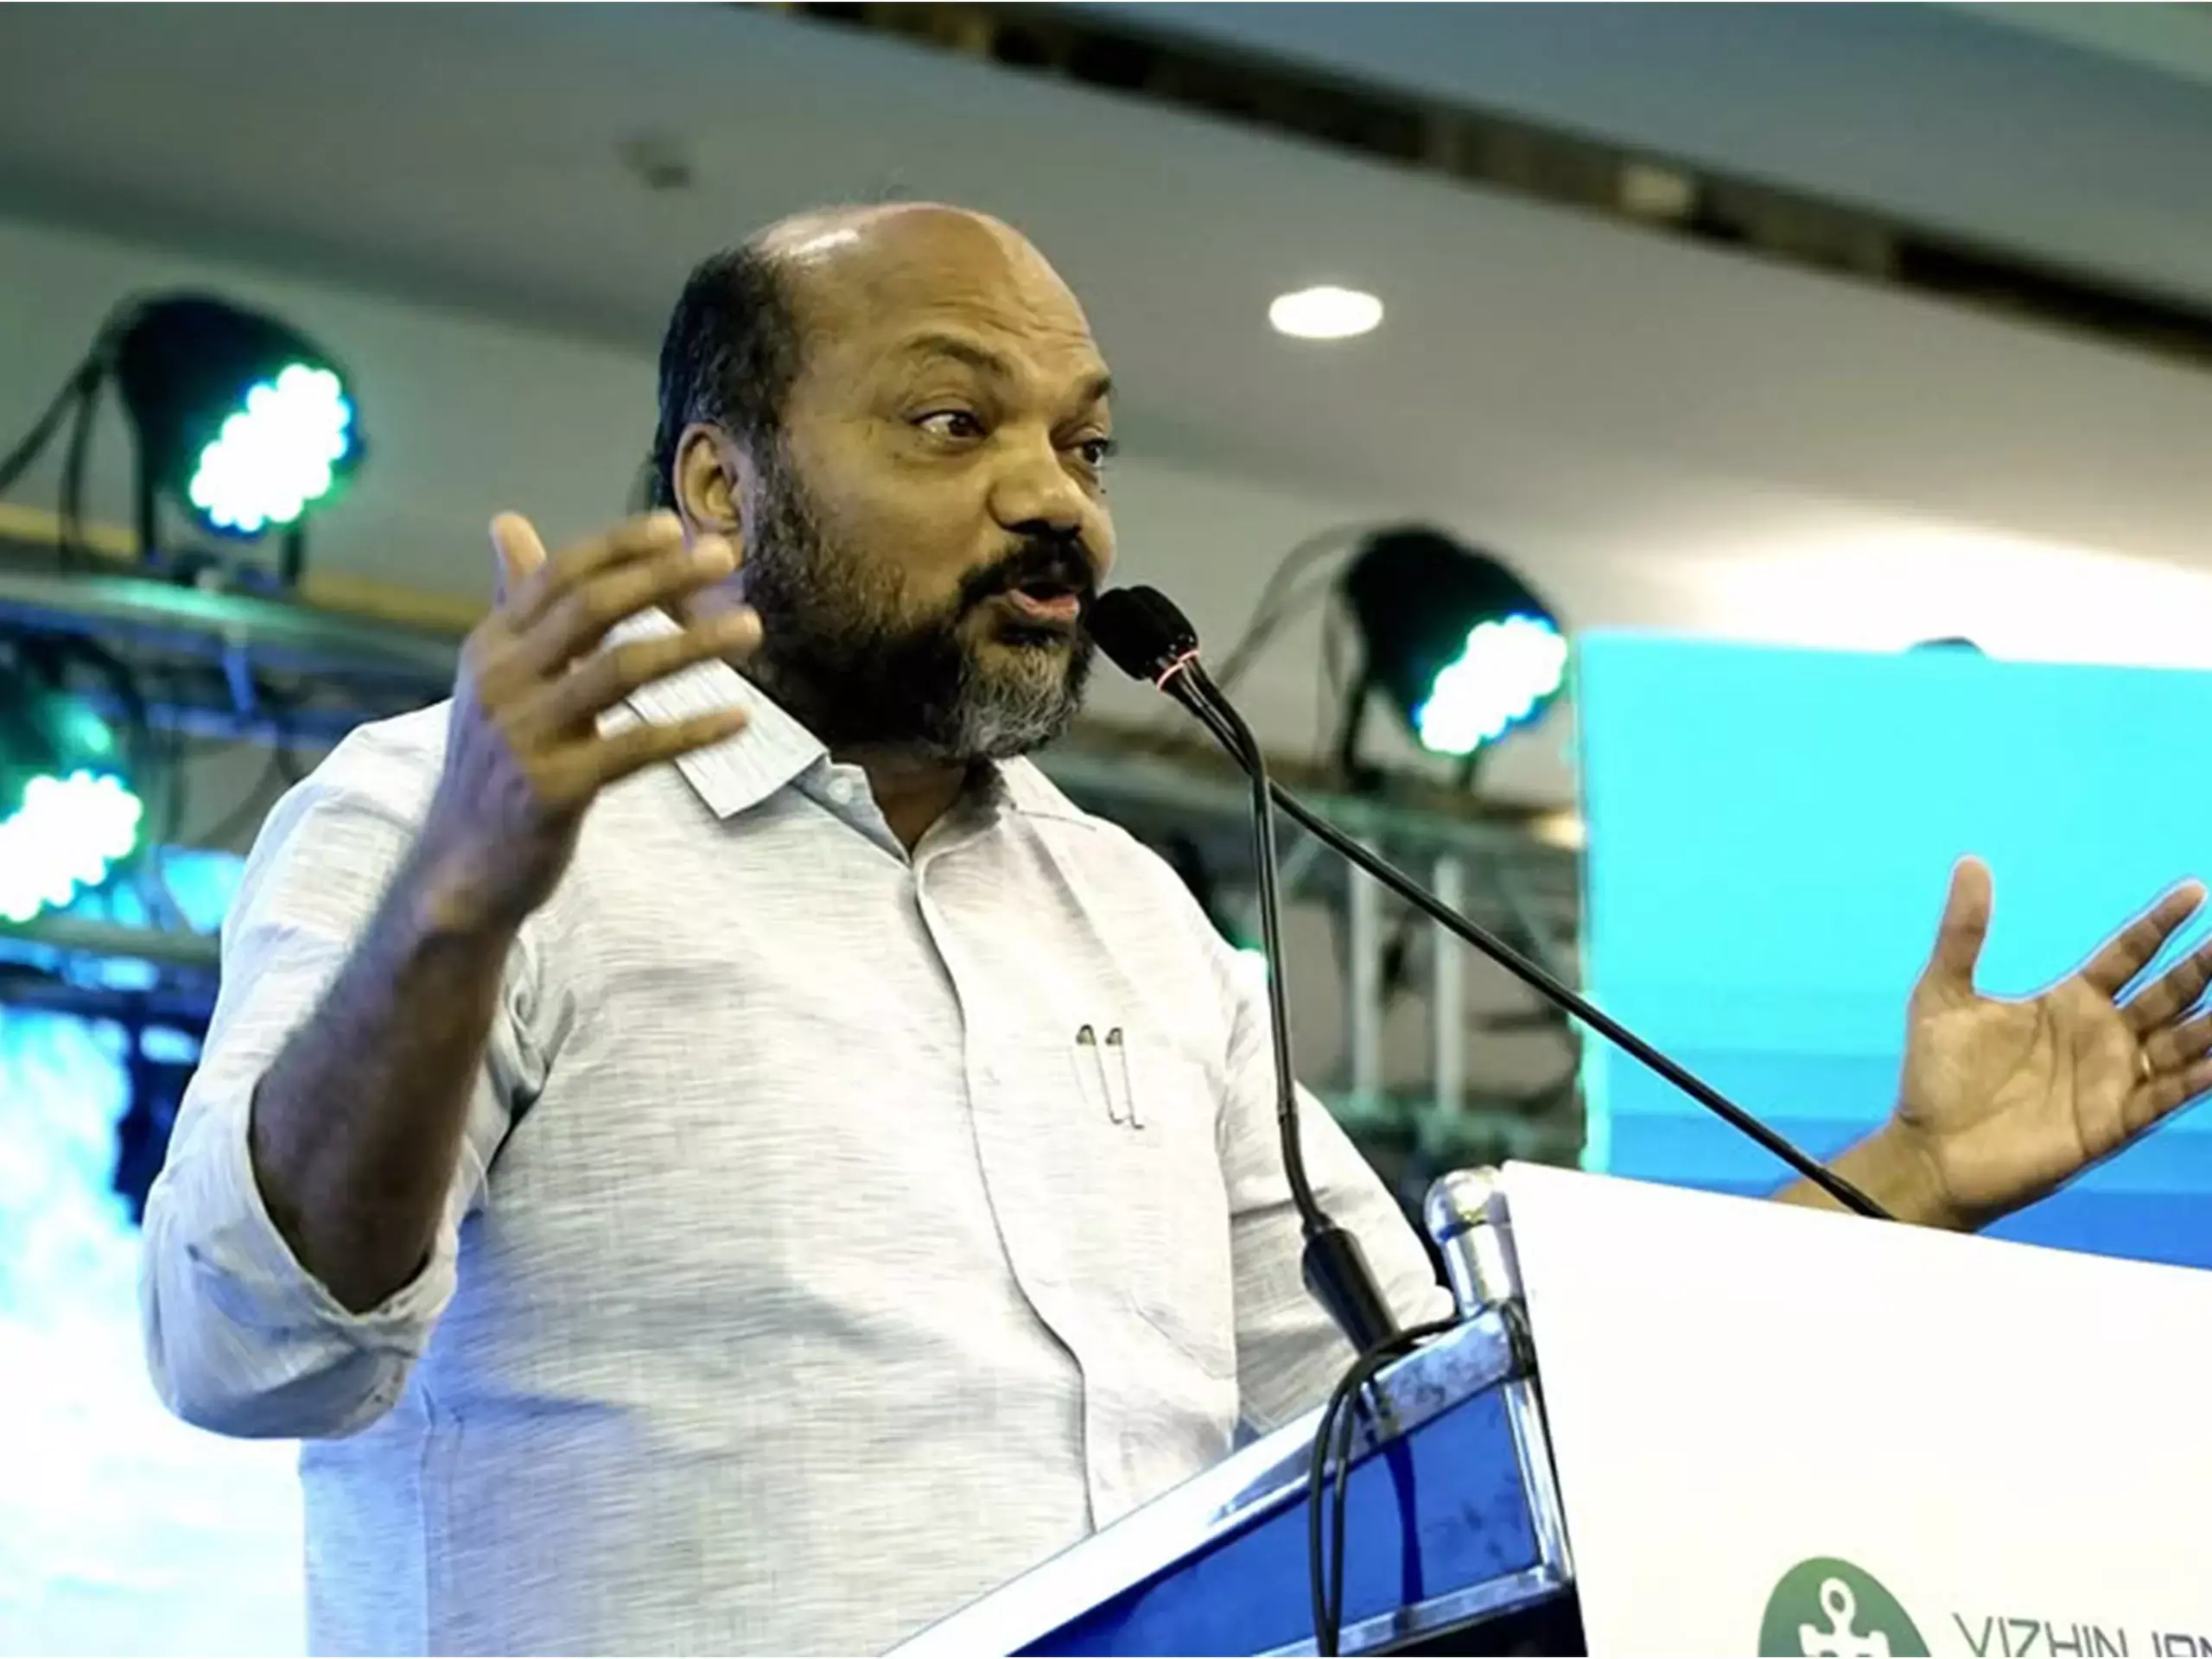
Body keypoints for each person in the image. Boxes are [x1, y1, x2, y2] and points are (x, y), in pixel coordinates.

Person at [140, 204, 2212, 1657]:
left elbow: (1437, 1426)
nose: (1060, 500)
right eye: (953, 425)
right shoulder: (448, 819)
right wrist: (459, 911)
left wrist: (1905, 1177)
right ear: (718, 482)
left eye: (1084, 443)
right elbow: (246, 1350)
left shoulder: (1133, 925)